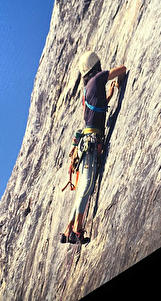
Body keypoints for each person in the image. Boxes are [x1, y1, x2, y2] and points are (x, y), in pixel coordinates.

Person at [60, 51, 126, 244]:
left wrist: (111, 94)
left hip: (86, 142)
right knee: (87, 186)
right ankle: (77, 231)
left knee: (83, 186)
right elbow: (121, 70)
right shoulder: (98, 79)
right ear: (95, 67)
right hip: (90, 143)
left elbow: (94, 111)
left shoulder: (86, 91)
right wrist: (118, 79)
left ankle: (67, 229)